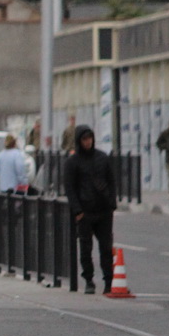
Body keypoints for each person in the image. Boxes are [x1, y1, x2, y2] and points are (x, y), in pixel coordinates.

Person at [62, 126, 116, 295]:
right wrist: (77, 210)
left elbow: (112, 181)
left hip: (103, 211)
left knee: (106, 248)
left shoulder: (102, 158)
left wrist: (112, 203)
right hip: (85, 212)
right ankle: (89, 280)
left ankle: (108, 281)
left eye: (90, 138)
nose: (88, 142)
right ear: (79, 141)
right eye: (84, 139)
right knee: (86, 248)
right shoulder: (73, 162)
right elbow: (70, 188)